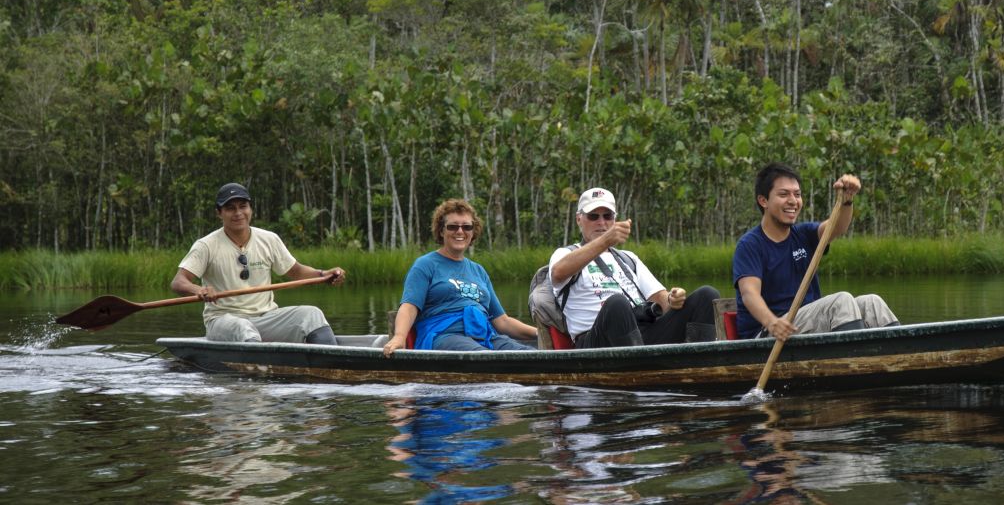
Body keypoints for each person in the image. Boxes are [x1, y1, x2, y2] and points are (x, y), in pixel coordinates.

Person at [733, 162, 899, 340]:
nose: (792, 201)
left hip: (807, 326)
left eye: (797, 194)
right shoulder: (750, 244)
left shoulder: (804, 234)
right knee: (841, 301)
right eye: (783, 194)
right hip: (769, 334)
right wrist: (772, 322)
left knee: (872, 303)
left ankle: (902, 359)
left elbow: (837, 227)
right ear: (763, 200)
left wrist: (847, 200)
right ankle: (854, 361)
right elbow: (749, 293)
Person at [170, 182, 346, 345]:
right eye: (230, 208)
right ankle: (260, 371)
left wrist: (324, 274)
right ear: (219, 213)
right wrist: (199, 290)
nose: (238, 213)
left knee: (312, 314)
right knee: (243, 328)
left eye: (243, 206)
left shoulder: (269, 239)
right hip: (223, 320)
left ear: (250, 209)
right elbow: (179, 282)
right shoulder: (206, 245)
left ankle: (334, 366)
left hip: (266, 317)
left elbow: (296, 271)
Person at [548, 187, 720, 348]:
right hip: (596, 340)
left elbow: (661, 299)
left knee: (707, 295)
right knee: (617, 303)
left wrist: (673, 299)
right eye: (594, 216)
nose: (601, 222)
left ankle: (698, 360)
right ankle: (639, 367)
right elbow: (558, 272)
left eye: (607, 216)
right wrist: (606, 240)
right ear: (579, 219)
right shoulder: (565, 253)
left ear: (614, 219)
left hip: (639, 333)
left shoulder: (628, 258)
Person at [383, 199, 536, 355]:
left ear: (473, 232)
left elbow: (503, 322)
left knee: (529, 354)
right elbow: (409, 307)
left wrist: (538, 333)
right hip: (443, 336)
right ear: (441, 231)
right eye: (453, 226)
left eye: (467, 227)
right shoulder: (425, 265)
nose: (460, 231)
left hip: (485, 337)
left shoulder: (479, 271)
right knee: (482, 356)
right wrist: (399, 337)